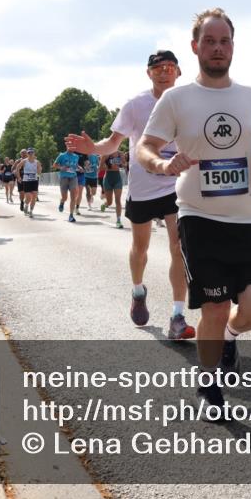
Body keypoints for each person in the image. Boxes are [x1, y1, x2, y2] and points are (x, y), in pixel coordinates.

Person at [137, 9, 251, 417]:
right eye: (210, 41)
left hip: (246, 220)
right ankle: (209, 382)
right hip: (199, 218)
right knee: (214, 308)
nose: (218, 48)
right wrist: (162, 164)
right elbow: (144, 147)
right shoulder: (176, 99)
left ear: (233, 46)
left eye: (225, 41)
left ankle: (232, 336)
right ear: (196, 46)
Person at [66, 50, 196, 340]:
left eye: (170, 67)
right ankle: (138, 291)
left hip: (176, 185)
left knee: (179, 248)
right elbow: (113, 143)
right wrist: (93, 149)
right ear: (148, 73)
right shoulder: (136, 105)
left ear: (178, 72)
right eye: (158, 67)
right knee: (141, 249)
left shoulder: (189, 102)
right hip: (143, 186)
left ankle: (177, 315)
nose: (164, 71)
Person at [52, 147, 82, 222]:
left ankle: (71, 215)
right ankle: (62, 202)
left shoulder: (76, 156)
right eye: (71, 146)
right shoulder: (62, 155)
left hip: (73, 177)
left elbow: (76, 165)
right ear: (67, 147)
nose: (73, 148)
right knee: (65, 197)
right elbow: (54, 165)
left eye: (74, 146)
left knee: (73, 196)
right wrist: (61, 167)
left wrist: (79, 167)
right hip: (64, 178)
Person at [14, 149, 42, 217]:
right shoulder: (24, 161)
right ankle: (26, 205)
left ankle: (31, 211)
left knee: (34, 196)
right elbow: (17, 168)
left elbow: (40, 169)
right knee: (28, 197)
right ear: (27, 154)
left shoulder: (37, 162)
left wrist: (38, 173)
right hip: (26, 180)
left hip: (34, 180)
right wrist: (19, 177)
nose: (30, 154)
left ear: (34, 153)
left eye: (32, 152)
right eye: (29, 153)